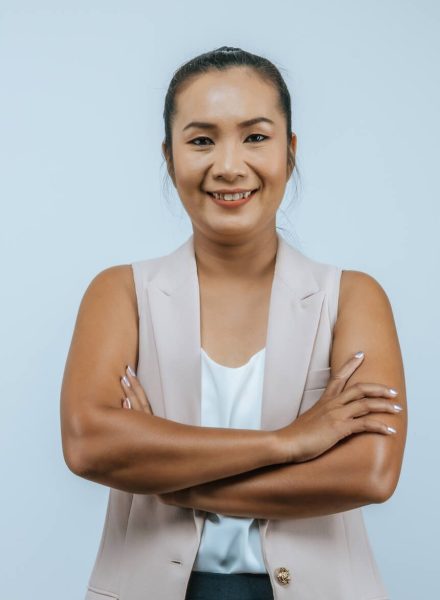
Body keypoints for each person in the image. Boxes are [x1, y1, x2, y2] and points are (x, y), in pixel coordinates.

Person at [60, 46, 407, 600]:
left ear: (290, 152)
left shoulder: (352, 297)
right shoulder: (121, 292)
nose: (228, 164)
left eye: (255, 136)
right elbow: (89, 445)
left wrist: (171, 480)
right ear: (169, 157)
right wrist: (291, 442)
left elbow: (368, 473)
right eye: (201, 140)